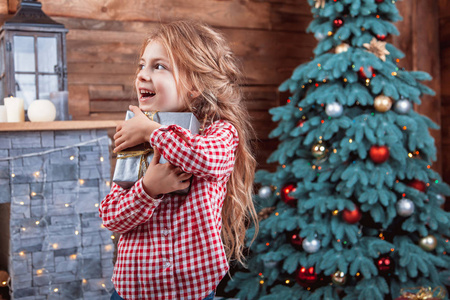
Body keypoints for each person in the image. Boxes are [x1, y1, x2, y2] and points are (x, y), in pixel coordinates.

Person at [99, 20, 259, 300]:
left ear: (195, 84)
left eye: (158, 66)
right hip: (134, 290)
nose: (141, 75)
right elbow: (111, 216)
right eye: (141, 65)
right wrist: (148, 189)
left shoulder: (220, 133)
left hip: (193, 290)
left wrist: (152, 131)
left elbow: (205, 159)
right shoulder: (135, 137)